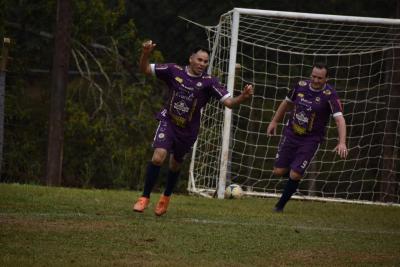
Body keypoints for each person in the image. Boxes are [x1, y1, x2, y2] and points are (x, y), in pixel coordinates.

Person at [133, 40, 254, 216]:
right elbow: (144, 69)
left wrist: (242, 97)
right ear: (191, 59)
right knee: (158, 157)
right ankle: (144, 198)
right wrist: (145, 53)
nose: (202, 64)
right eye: (199, 60)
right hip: (168, 120)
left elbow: (229, 103)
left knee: (175, 164)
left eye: (205, 62)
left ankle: (165, 197)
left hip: (188, 130)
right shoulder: (173, 70)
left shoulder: (209, 82)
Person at [266, 62, 348, 212]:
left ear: (326, 79)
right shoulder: (300, 86)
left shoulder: (330, 95)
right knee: (278, 171)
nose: (316, 81)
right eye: (314, 77)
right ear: (311, 75)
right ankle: (294, 177)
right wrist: (274, 121)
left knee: (295, 173)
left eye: (320, 78)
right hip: (291, 134)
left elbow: (339, 119)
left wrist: (342, 142)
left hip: (311, 140)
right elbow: (286, 103)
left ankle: (279, 206)